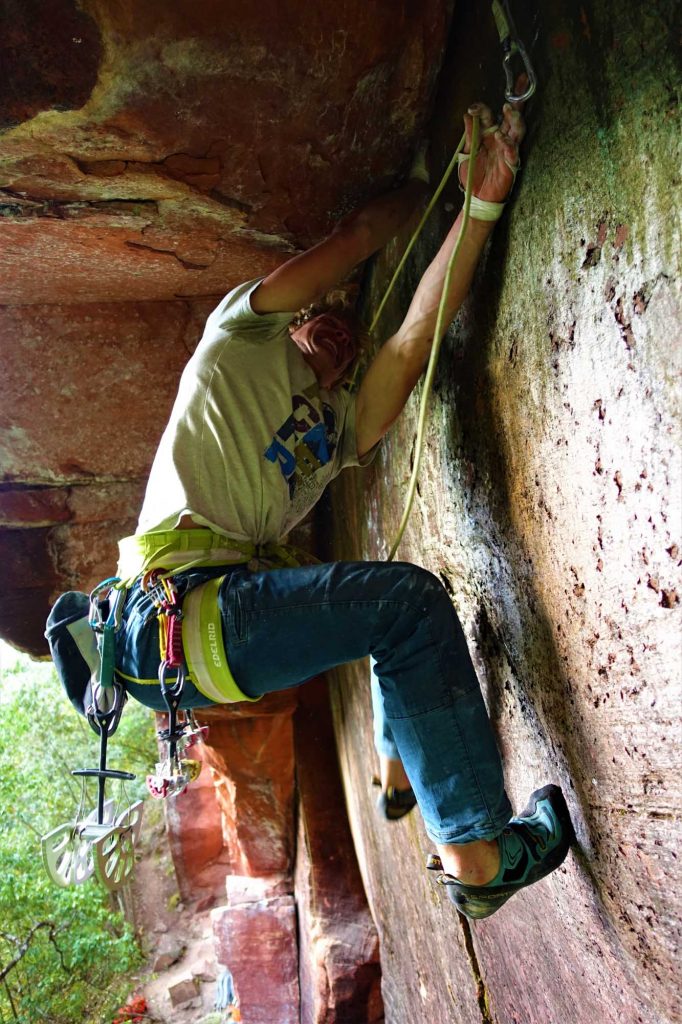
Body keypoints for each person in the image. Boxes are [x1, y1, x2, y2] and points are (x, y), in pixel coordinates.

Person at [54, 94, 574, 921]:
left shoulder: (335, 434)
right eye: (328, 322)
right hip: (176, 618)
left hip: (192, 641)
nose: (342, 336)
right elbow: (355, 241)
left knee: (375, 612)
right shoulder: (237, 338)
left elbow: (411, 338)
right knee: (404, 607)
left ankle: (401, 770)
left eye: (349, 347)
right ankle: (477, 854)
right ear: (298, 323)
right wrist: (439, 191)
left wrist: (483, 209)